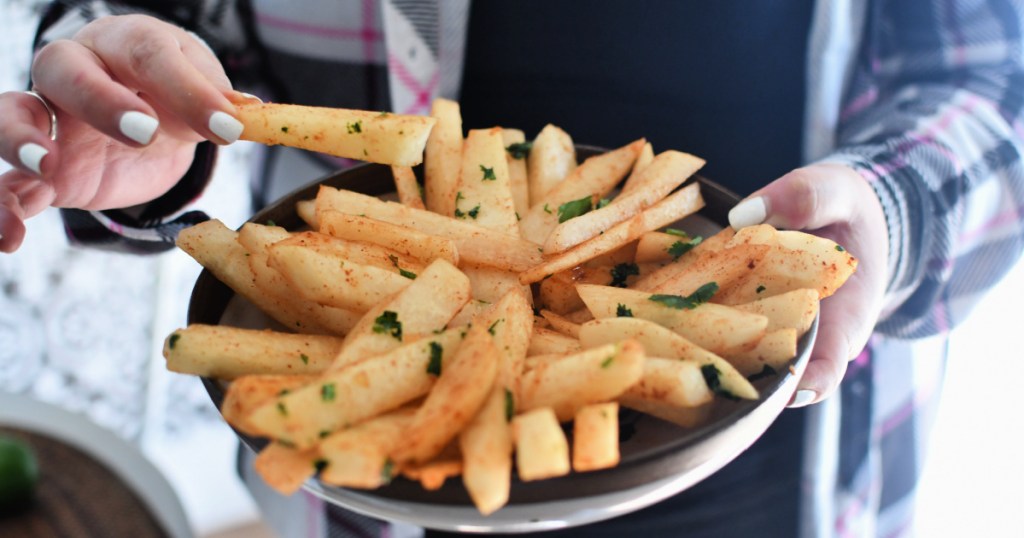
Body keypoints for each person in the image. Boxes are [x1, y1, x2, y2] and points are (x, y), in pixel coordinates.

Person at [0, 1, 1021, 536]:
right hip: (371, 482)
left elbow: (990, 74)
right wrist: (135, 98)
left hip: (777, 454)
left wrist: (895, 202)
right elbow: (176, 19)